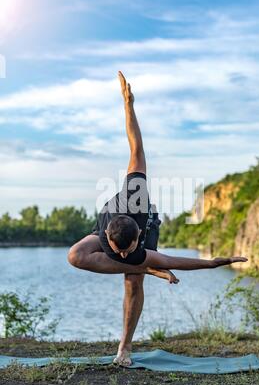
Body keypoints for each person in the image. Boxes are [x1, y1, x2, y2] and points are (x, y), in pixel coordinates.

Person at [68, 71, 247, 366]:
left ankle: (124, 349)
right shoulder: (107, 232)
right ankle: (147, 268)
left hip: (146, 221)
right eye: (119, 251)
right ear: (109, 240)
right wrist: (148, 265)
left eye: (129, 250)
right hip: (115, 226)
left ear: (136, 239)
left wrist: (129, 105)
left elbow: (135, 145)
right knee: (75, 255)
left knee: (132, 281)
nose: (124, 253)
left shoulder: (136, 195)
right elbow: (117, 252)